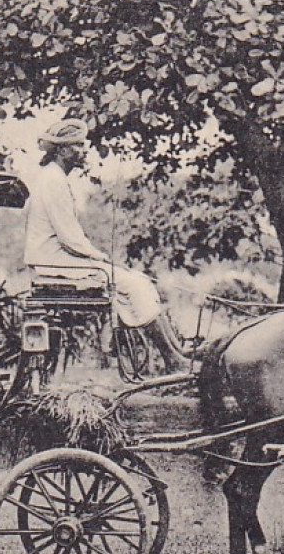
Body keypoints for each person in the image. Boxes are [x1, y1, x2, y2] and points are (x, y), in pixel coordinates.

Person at [20, 118, 189, 370]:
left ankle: (177, 353)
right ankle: (173, 360)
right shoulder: (53, 180)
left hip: (57, 259)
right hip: (53, 261)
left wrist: (96, 257)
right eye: (78, 145)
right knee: (133, 284)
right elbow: (69, 236)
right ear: (63, 151)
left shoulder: (53, 177)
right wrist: (98, 257)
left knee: (138, 281)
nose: (84, 150)